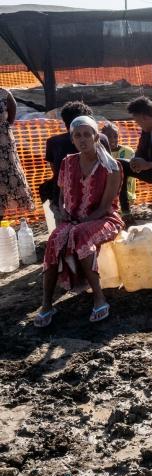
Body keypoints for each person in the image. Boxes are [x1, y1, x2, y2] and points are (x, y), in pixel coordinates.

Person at [35, 116, 123, 327]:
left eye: (87, 134)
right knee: (55, 238)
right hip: (73, 220)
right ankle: (46, 304)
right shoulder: (68, 162)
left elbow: (104, 207)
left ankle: (99, 298)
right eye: (77, 135)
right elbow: (63, 196)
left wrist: (79, 222)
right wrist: (65, 213)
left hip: (105, 219)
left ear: (95, 137)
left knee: (80, 235)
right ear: (72, 139)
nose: (82, 139)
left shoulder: (112, 166)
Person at [40, 101, 93, 215]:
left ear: (65, 124)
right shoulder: (100, 139)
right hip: (92, 199)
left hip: (64, 202)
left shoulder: (53, 142)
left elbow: (56, 171)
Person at [0, 87, 33, 222]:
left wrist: (3, 131)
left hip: (4, 147)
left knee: (6, 178)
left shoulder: (4, 93)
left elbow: (11, 118)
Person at [100, 122, 136, 211]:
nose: (112, 139)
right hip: (107, 196)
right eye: (108, 136)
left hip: (127, 195)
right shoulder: (100, 153)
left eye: (115, 136)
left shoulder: (128, 152)